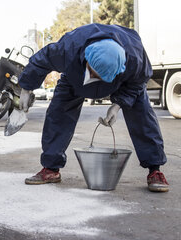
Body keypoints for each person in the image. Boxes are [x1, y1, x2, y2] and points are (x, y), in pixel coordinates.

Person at [18, 23, 169, 192]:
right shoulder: (70, 47)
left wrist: (118, 105)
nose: (94, 79)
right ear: (87, 58)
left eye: (99, 77)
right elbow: (41, 60)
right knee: (58, 113)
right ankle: (51, 168)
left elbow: (138, 81)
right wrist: (26, 87)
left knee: (142, 114)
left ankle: (155, 170)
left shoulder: (134, 59)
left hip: (120, 82)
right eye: (93, 73)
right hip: (74, 77)